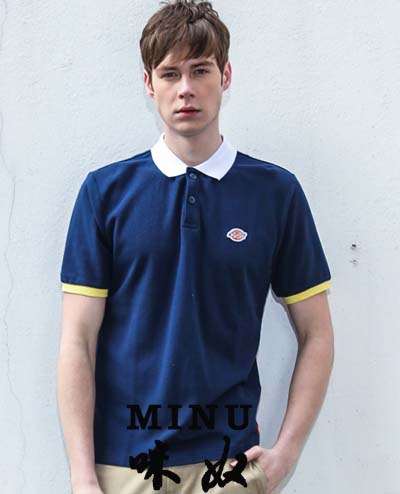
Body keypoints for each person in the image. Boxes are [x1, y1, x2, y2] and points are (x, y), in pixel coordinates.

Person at [57, 1, 335, 493]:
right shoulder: (105, 193)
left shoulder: (275, 193)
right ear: (149, 83)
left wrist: (285, 455)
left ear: (225, 75)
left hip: (230, 469)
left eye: (200, 70)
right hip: (124, 469)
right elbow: (77, 341)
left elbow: (317, 333)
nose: (185, 88)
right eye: (170, 73)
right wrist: (83, 477)